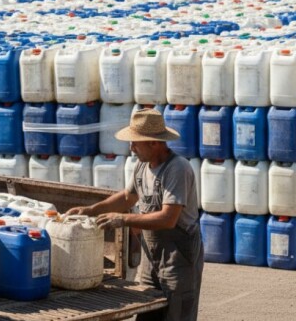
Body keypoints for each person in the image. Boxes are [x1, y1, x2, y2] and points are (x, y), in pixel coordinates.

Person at [64, 108, 203, 321]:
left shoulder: (177, 169)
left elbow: (168, 218)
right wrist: (91, 210)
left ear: (154, 143)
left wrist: (123, 219)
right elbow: (127, 197)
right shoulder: (142, 165)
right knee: (147, 311)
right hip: (151, 258)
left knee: (176, 313)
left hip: (178, 258)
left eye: (135, 142)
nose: (131, 148)